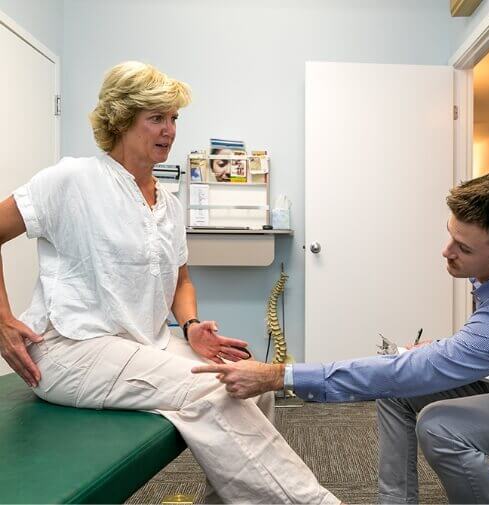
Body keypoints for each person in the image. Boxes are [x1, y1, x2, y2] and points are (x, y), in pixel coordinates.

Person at [0, 61, 338, 505]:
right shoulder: (73, 179)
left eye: (174, 118)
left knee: (249, 381)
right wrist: (3, 319)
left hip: (142, 344)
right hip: (69, 348)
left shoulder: (169, 204)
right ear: (122, 119)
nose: (170, 130)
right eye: (156, 118)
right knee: (217, 386)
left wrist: (193, 325)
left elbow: (181, 280)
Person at [195, 171, 489, 504]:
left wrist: (278, 375)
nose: (445, 251)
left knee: (440, 424)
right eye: (449, 234)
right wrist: (446, 351)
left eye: (463, 247)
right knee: (400, 391)